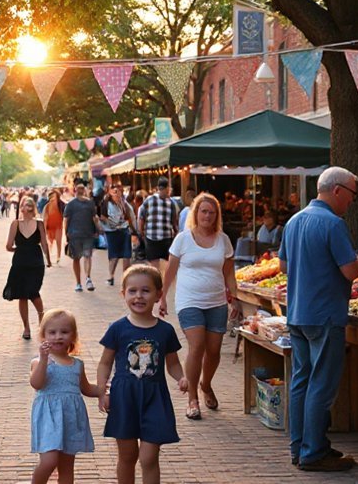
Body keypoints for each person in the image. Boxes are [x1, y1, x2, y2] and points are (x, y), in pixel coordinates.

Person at [279, 166, 358, 471]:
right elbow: (351, 271)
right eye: (352, 194)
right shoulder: (333, 224)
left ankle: (302, 447)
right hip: (324, 315)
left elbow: (284, 267)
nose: (353, 201)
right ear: (337, 190)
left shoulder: (294, 220)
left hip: (298, 313)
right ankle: (312, 453)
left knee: (301, 381)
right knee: (321, 386)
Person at [97, 265, 188, 484]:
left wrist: (181, 377)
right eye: (133, 291)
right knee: (127, 456)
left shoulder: (165, 330)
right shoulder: (117, 328)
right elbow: (105, 362)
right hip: (123, 398)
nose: (139, 296)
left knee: (149, 457)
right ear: (124, 294)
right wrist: (103, 391)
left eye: (146, 291)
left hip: (155, 398)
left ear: (158, 295)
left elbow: (173, 363)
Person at [160, 193, 237, 421]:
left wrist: (236, 298)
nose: (207, 216)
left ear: (217, 216)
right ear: (196, 213)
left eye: (212, 212)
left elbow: (229, 274)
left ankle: (206, 384)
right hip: (189, 301)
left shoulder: (223, 240)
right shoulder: (183, 239)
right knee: (197, 346)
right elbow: (170, 271)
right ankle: (192, 398)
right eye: (203, 211)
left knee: (214, 350)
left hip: (216, 302)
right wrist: (162, 296)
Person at [30, 309, 100, 484]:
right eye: (52, 332)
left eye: (64, 332)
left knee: (67, 467)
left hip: (71, 419)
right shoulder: (40, 362)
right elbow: (36, 384)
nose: (58, 336)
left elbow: (86, 388)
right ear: (43, 335)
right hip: (49, 418)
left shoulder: (77, 364)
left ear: (73, 336)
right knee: (49, 461)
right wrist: (44, 359)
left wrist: (103, 391)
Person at [3, 197, 51, 340]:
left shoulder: (39, 224)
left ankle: (41, 323)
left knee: (33, 293)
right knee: (23, 295)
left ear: (31, 208)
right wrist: (20, 250)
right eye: (24, 204)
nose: (26, 207)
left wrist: (48, 260)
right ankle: (27, 327)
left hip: (34, 263)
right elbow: (8, 245)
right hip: (21, 263)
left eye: (28, 205)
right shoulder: (15, 224)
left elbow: (44, 243)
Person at [64, 182, 102, 293]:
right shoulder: (90, 203)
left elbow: (66, 220)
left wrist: (66, 234)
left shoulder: (70, 204)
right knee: (87, 257)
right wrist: (97, 230)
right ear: (84, 191)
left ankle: (78, 283)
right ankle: (88, 278)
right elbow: (94, 218)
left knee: (76, 259)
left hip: (75, 234)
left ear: (75, 191)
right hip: (88, 234)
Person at [138, 177, 180, 272]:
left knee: (166, 263)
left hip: (164, 237)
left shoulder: (171, 202)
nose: (166, 191)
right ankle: (157, 282)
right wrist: (141, 232)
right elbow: (142, 217)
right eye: (165, 189)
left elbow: (174, 220)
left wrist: (176, 231)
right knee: (154, 264)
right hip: (153, 237)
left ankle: (163, 281)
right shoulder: (150, 200)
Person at [100, 184, 136, 287]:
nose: (117, 194)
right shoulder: (106, 203)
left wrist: (134, 230)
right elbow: (102, 216)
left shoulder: (124, 204)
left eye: (118, 192)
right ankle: (111, 276)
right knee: (114, 256)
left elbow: (131, 217)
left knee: (126, 255)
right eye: (115, 192)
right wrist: (110, 222)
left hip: (124, 231)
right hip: (112, 232)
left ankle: (125, 277)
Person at [42, 189, 65, 265]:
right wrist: (44, 229)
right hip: (50, 227)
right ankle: (48, 258)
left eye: (54, 196)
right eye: (51, 196)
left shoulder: (61, 205)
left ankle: (58, 257)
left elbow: (65, 216)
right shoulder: (47, 206)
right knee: (49, 243)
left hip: (58, 226)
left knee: (58, 242)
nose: (52, 198)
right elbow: (45, 218)